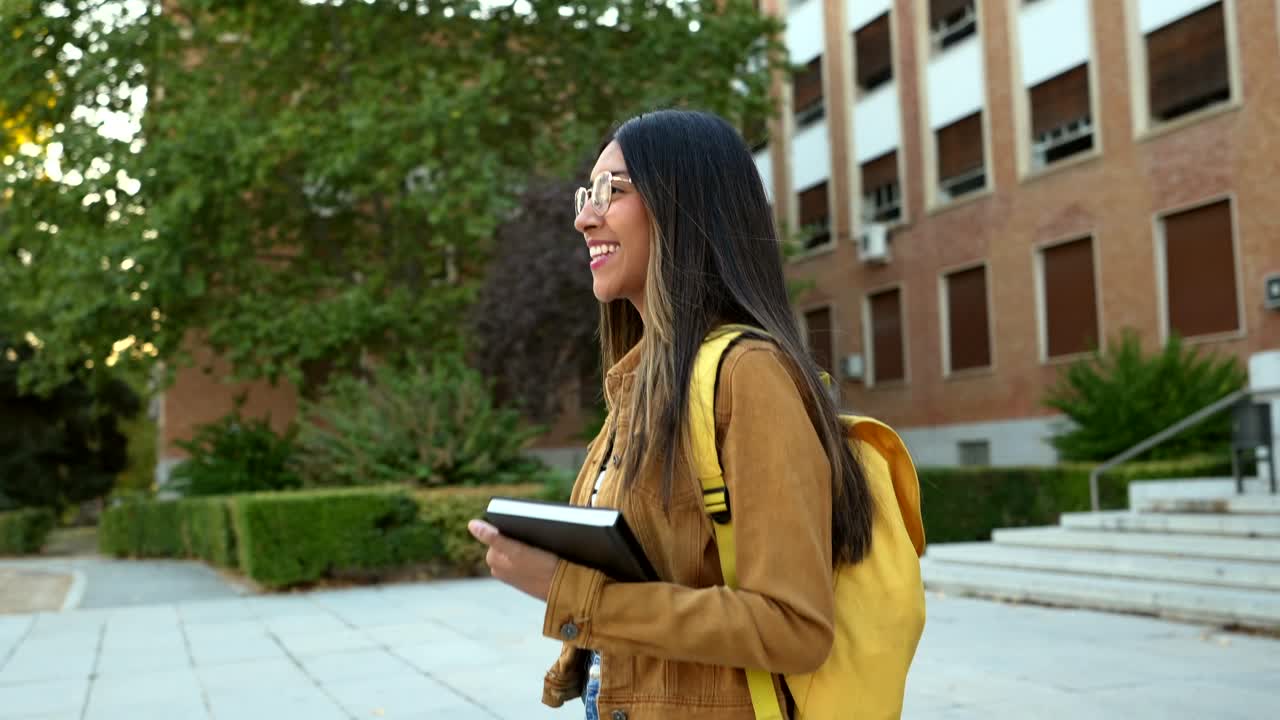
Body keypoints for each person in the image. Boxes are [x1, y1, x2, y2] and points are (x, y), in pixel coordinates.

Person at [467, 109, 878, 719]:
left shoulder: (748, 376)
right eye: (587, 194)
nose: (584, 217)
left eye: (612, 191)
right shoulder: (639, 385)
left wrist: (569, 591)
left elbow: (794, 626)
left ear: (686, 205)